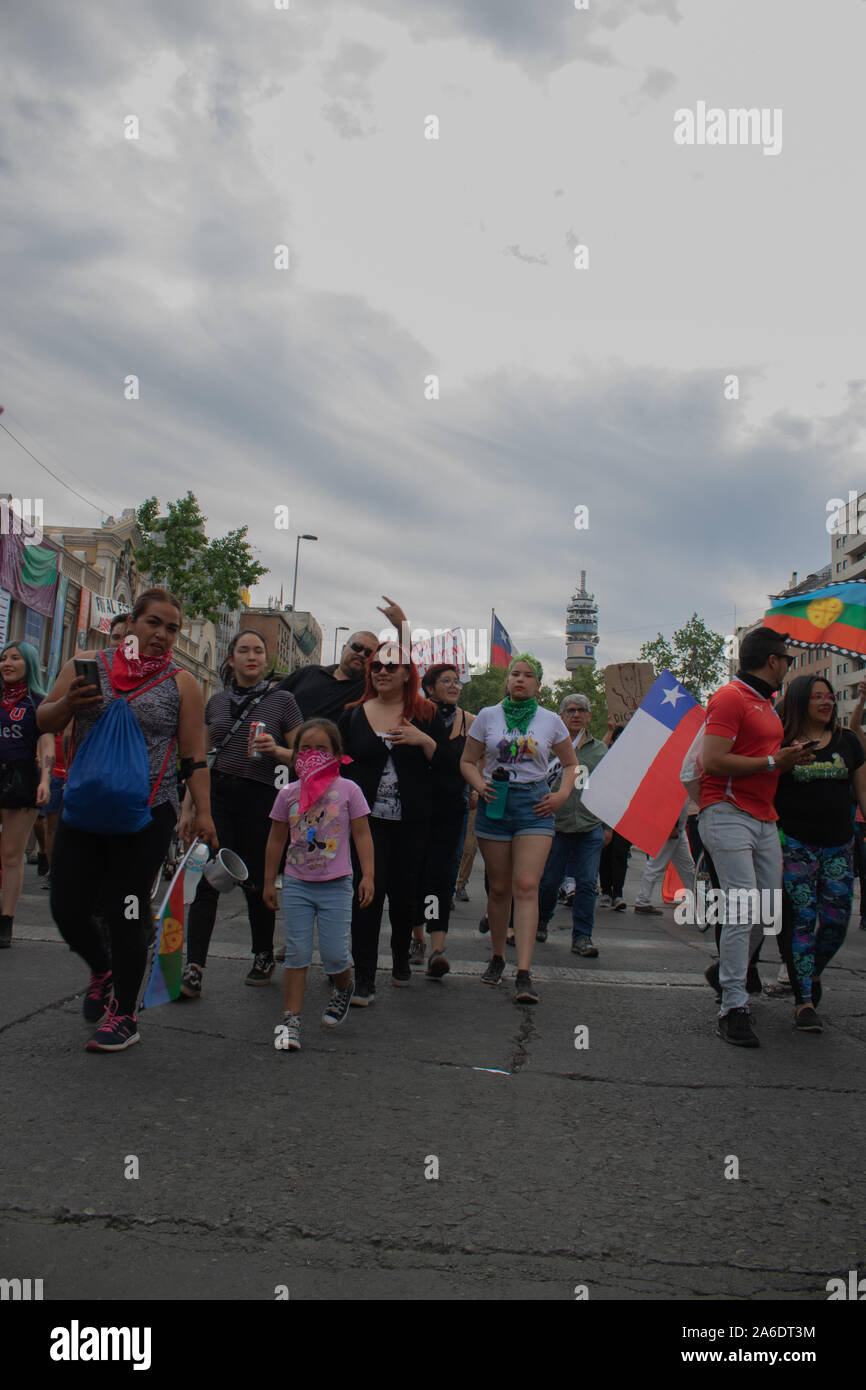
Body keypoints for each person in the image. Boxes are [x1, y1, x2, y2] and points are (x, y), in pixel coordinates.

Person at [37, 588, 218, 1051]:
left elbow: (193, 756)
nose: (162, 635)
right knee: (68, 906)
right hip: (86, 804)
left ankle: (125, 1014)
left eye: (172, 628)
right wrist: (67, 705)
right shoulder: (86, 664)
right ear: (132, 622)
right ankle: (103, 968)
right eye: (153, 623)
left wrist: (203, 814)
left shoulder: (182, 684)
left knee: (126, 908)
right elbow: (46, 721)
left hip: (148, 812)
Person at [698, 627, 813, 1048]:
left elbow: (765, 763)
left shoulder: (765, 703)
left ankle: (726, 971)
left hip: (763, 817)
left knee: (768, 911)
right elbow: (712, 760)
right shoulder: (730, 697)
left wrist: (788, 759)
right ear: (771, 661)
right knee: (744, 907)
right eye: (787, 659)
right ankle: (732, 1005)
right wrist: (771, 760)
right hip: (727, 812)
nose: (788, 666)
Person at [178, 629, 303, 995]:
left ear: (266, 661)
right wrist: (188, 808)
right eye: (244, 650)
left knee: (254, 881)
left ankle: (262, 954)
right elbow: (197, 759)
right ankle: (194, 966)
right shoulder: (214, 703)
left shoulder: (283, 701)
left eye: (259, 651)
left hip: (262, 798)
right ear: (230, 659)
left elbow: (304, 757)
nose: (252, 656)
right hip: (216, 797)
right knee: (208, 879)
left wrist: (275, 750)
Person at [461, 655, 577, 1002]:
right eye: (515, 674)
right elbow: (467, 760)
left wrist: (561, 795)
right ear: (507, 680)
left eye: (528, 675)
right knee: (499, 889)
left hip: (535, 803)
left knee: (526, 885)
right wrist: (478, 785)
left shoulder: (550, 720)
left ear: (539, 684)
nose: (521, 680)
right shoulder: (487, 716)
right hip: (496, 801)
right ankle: (498, 957)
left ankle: (524, 971)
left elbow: (571, 764)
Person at [339, 640, 449, 1004]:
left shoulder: (426, 713)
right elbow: (335, 765)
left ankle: (401, 956)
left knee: (404, 895)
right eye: (376, 666)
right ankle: (365, 976)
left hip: (412, 823)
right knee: (366, 895)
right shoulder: (353, 713)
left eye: (391, 666)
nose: (382, 672)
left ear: (406, 674)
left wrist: (425, 742)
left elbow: (449, 770)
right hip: (365, 824)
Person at [263, 718, 375, 1051]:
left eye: (321, 748)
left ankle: (344, 986)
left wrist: (368, 875)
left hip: (336, 884)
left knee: (335, 955)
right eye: (305, 748)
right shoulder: (288, 793)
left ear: (337, 754)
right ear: (295, 754)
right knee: (296, 953)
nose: (312, 754)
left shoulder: (349, 790)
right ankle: (290, 1021)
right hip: (297, 883)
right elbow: (275, 839)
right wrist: (269, 881)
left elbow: (362, 834)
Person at [773, 674, 866, 1032]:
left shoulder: (849, 743)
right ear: (799, 702)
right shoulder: (783, 743)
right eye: (817, 697)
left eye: (829, 697)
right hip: (796, 845)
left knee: (835, 924)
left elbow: (862, 791)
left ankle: (808, 975)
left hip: (840, 846)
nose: (826, 703)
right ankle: (804, 1001)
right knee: (801, 920)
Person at [409, 664, 476, 978]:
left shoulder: (470, 722)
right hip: (418, 808)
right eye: (445, 681)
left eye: (456, 681)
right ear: (430, 688)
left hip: (452, 809)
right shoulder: (416, 717)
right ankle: (417, 937)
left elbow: (477, 759)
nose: (453, 685)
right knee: (416, 875)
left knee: (441, 878)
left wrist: (475, 783)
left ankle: (438, 948)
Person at [537, 693, 609, 954]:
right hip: (556, 825)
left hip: (590, 826)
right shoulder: (546, 747)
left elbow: (607, 789)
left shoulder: (600, 750)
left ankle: (582, 937)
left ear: (589, 716)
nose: (576, 714)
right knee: (549, 882)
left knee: (588, 883)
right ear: (561, 716)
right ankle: (541, 921)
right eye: (570, 710)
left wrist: (607, 826)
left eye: (581, 710)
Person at [277, 597, 409, 724]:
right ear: (344, 648)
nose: (362, 654)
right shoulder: (308, 673)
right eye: (357, 647)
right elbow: (271, 700)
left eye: (369, 653)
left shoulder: (369, 690)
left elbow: (403, 666)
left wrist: (403, 627)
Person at [0, 642, 53, 947]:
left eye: (15, 658)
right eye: (4, 658)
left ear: (29, 663)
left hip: (21, 779)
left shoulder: (38, 703)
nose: (7, 663)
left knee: (11, 853)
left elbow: (46, 746)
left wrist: (45, 780)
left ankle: (6, 921)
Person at [632, 805, 695, 914]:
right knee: (657, 866)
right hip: (672, 828)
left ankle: (696, 899)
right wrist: (673, 825)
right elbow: (672, 802)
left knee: (687, 867)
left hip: (677, 828)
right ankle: (642, 901)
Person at [598, 726, 630, 910]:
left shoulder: (633, 761)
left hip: (625, 814)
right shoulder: (604, 757)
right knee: (605, 852)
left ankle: (618, 893)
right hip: (604, 813)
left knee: (620, 853)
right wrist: (609, 729)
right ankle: (605, 891)